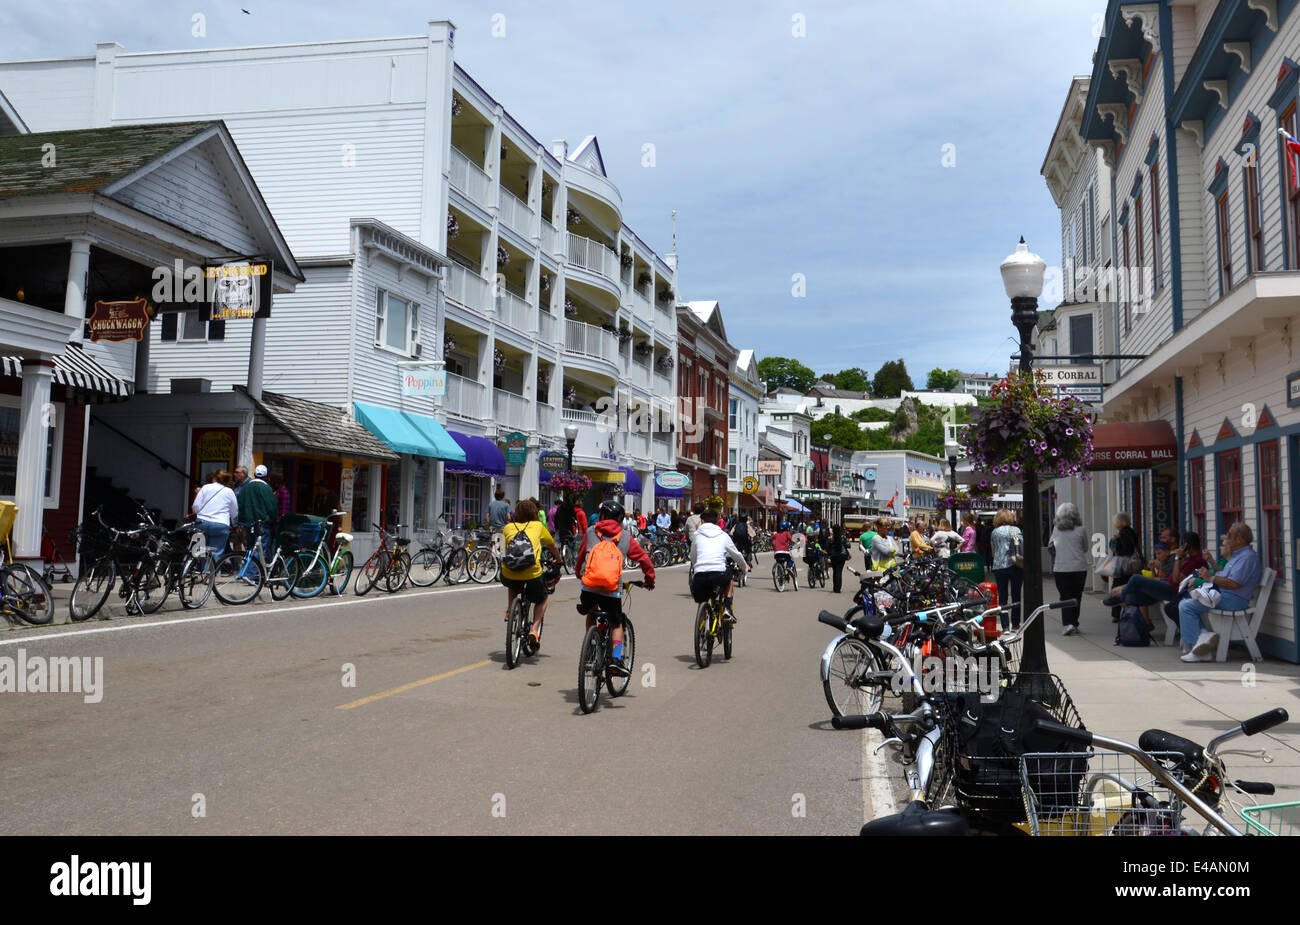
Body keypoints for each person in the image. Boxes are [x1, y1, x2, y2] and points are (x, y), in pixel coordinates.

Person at [575, 500, 656, 675]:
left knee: (591, 612)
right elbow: (644, 559)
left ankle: (591, 647)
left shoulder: (590, 532)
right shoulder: (625, 537)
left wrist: (578, 573)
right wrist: (649, 579)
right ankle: (616, 659)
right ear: (620, 520)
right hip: (611, 590)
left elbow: (580, 557)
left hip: (589, 587)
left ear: (602, 515)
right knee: (617, 622)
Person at [1177, 523, 1262, 662]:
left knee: (1186, 607)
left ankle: (1198, 647)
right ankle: (1200, 640)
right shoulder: (1238, 555)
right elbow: (1224, 574)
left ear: (1239, 539)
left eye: (1229, 536)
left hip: (1234, 599)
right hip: (1226, 595)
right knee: (1186, 601)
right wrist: (1209, 570)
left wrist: (1210, 578)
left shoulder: (1247, 558)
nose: (1226, 539)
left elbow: (1234, 584)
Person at [500, 498, 562, 649]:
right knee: (543, 598)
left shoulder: (507, 528)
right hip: (532, 573)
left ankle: (510, 610)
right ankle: (534, 630)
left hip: (509, 572)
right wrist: (558, 559)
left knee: (512, 581)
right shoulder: (538, 526)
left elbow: (502, 550)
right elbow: (552, 545)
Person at [689, 507, 750, 622]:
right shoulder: (723, 535)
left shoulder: (697, 536)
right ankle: (727, 609)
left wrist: (698, 565)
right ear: (717, 521)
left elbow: (693, 556)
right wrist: (745, 567)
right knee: (729, 580)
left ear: (702, 521)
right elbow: (736, 554)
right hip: (719, 573)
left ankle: (702, 629)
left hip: (700, 575)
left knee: (703, 600)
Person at [1048, 502, 1089, 636]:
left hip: (1060, 568)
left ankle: (1068, 623)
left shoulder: (1056, 529)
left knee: (1064, 596)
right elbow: (1085, 548)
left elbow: (1051, 546)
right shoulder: (1081, 529)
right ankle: (1074, 622)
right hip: (1079, 567)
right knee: (1077, 596)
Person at [192, 469, 239, 558]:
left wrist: (200, 514)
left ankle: (200, 569)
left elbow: (196, 506)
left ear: (215, 478)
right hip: (220, 524)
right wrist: (235, 525)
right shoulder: (229, 492)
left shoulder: (205, 487)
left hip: (202, 522)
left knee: (201, 550)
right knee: (216, 552)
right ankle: (210, 571)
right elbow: (234, 512)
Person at [990, 508, 1024, 630]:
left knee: (1003, 597)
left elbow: (993, 551)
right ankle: (1015, 624)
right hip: (1015, 564)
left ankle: (1005, 626)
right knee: (1016, 595)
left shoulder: (995, 532)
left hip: (999, 566)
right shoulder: (1016, 530)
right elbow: (1021, 545)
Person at [1107, 512, 1142, 622]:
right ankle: (1127, 611)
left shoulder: (1123, 534)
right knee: (1127, 587)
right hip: (1131, 567)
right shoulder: (1131, 532)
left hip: (1123, 567)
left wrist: (1115, 541)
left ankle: (1116, 614)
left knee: (1116, 588)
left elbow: (1124, 551)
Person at [238, 464, 278, 560]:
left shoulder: (245, 488)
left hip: (248, 524)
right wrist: (274, 520)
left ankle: (250, 570)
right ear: (266, 477)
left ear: (254, 474)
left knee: (250, 548)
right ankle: (251, 573)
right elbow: (272, 508)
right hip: (262, 524)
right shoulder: (266, 488)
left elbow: (240, 505)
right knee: (260, 549)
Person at [827, 523, 850, 592]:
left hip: (833, 556)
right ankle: (838, 588)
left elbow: (827, 547)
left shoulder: (831, 538)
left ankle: (835, 587)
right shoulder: (843, 537)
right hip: (842, 555)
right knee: (839, 572)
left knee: (835, 571)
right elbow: (848, 545)